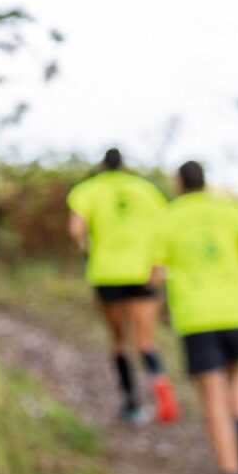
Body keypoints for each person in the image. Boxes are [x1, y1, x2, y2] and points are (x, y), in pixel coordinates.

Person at [148, 160, 238, 474]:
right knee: (237, 372)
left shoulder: (167, 217)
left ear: (179, 183)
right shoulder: (230, 209)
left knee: (212, 397)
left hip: (197, 315)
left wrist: (152, 285)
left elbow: (157, 274)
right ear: (205, 180)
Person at [67, 148, 175, 424]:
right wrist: (159, 263)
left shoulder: (88, 190)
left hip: (107, 273)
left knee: (118, 342)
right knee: (145, 341)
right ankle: (162, 390)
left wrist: (86, 248)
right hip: (143, 272)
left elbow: (76, 230)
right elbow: (166, 228)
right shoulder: (145, 190)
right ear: (124, 166)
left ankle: (132, 403)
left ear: (103, 166)